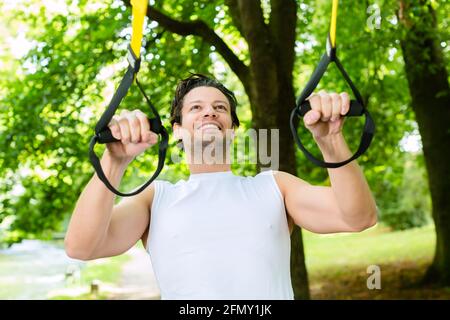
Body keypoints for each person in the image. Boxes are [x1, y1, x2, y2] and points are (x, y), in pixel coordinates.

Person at [65, 74, 377, 300]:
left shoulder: (274, 187)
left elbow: (357, 217)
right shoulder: (155, 198)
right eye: (195, 108)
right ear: (177, 130)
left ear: (232, 129)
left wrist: (331, 141)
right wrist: (114, 163)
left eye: (220, 108)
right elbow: (82, 247)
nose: (209, 112)